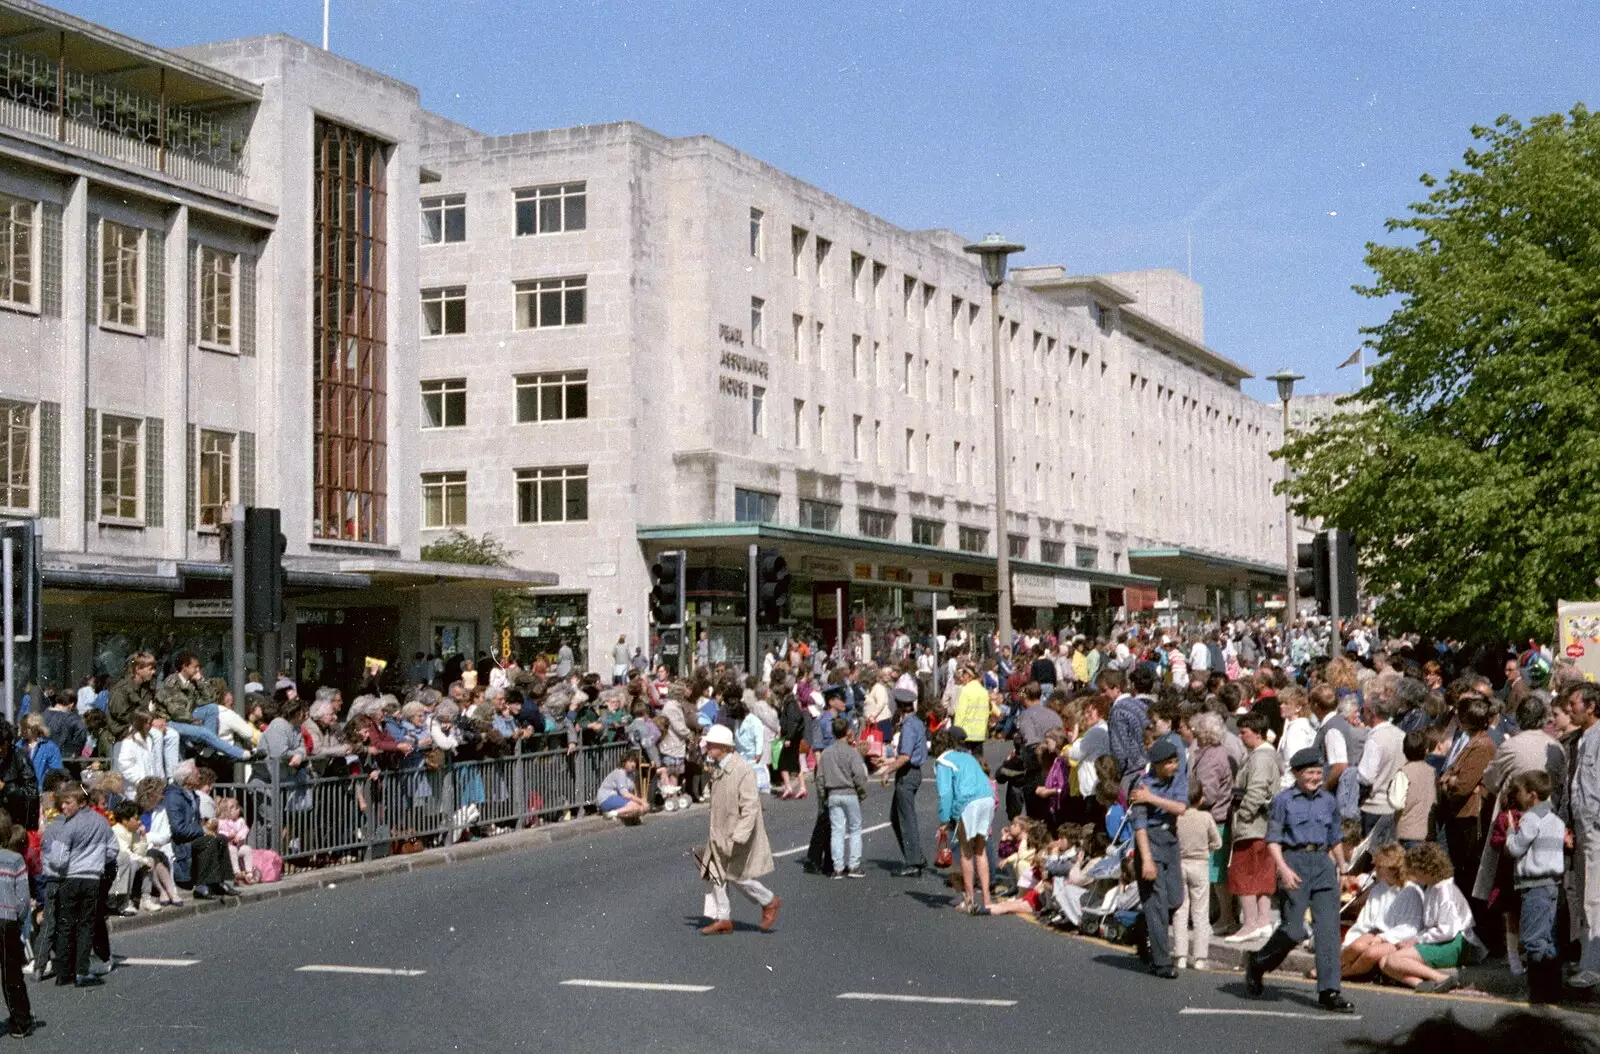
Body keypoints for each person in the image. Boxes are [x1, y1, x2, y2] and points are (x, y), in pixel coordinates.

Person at [1244, 748, 1355, 1014]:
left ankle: (1329, 991)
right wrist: (1282, 868)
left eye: (1319, 772)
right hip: (1294, 863)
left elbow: (1335, 837)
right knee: (1293, 929)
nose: (1316, 777)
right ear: (1296, 773)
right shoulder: (1283, 801)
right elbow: (1273, 840)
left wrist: (1343, 868)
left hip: (1323, 865)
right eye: (1310, 773)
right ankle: (1259, 963)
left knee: (1328, 930)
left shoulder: (1328, 800)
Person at [696, 725, 780, 935]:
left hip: (734, 833)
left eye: (712, 745)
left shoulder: (742, 769)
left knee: (736, 875)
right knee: (716, 874)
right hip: (719, 831)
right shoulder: (718, 768)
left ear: (723, 747)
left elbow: (751, 806)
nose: (708, 748)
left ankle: (769, 900)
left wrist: (740, 835)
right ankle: (723, 918)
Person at [1377, 842, 1481, 993]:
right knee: (1383, 962)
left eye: (1415, 871)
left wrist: (1417, 940)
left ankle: (1442, 979)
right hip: (1441, 939)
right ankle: (1420, 983)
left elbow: (1447, 931)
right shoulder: (1431, 887)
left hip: (1458, 942)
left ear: (1427, 869)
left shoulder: (1445, 890)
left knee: (1393, 959)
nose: (1413, 875)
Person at [41, 781, 117, 988]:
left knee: (66, 925)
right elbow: (113, 849)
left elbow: (57, 857)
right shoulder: (102, 822)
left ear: (81, 802)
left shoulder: (69, 825)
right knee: (85, 925)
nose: (63, 808)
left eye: (67, 803)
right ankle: (81, 971)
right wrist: (96, 859)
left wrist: (69, 863)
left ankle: (64, 972)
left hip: (71, 878)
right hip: (92, 878)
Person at [1505, 768, 1567, 1004]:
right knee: (1548, 939)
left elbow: (1515, 848)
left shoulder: (1531, 818)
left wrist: (1512, 829)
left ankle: (1536, 992)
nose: (1517, 797)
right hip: (1552, 885)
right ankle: (1552, 991)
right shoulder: (1556, 820)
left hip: (1535, 886)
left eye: (1520, 792)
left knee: (1533, 940)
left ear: (1531, 795)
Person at [1131, 737, 1187, 978]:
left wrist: (1151, 798)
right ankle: (1161, 962)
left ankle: (1142, 928)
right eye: (1168, 763)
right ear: (1156, 764)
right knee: (1156, 903)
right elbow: (1140, 826)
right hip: (1150, 842)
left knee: (1175, 898)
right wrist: (1146, 860)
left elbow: (1181, 808)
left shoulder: (1176, 780)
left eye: (1175, 761)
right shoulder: (1141, 785)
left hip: (1170, 841)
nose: (1174, 766)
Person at [1226, 712, 1282, 944]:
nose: (1241, 737)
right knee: (1261, 875)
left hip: (1252, 826)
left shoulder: (1260, 758)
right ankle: (1262, 922)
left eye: (1244, 732)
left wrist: (1245, 815)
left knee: (1244, 874)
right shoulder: (1267, 755)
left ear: (1257, 733)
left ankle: (1250, 923)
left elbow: (1257, 789)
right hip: (1264, 826)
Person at [1341, 843, 1424, 979]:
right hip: (1377, 934)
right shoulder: (1378, 888)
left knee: (1371, 953)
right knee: (1357, 946)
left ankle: (1342, 974)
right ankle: (1330, 968)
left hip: (1399, 939)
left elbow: (1411, 928)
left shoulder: (1411, 891)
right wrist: (1353, 940)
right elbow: (1365, 921)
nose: (1375, 870)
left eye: (1380, 867)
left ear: (1392, 869)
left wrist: (1382, 937)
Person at [935, 728, 994, 914]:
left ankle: (969, 900)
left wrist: (944, 820)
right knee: (980, 850)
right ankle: (987, 899)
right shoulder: (969, 757)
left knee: (966, 851)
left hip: (968, 802)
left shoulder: (944, 761)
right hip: (987, 798)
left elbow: (945, 793)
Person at [880, 688, 928, 877]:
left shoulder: (908, 726)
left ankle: (913, 862)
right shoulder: (916, 722)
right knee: (897, 816)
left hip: (907, 773)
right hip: (913, 772)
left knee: (905, 819)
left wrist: (888, 771)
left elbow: (906, 756)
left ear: (899, 707)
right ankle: (916, 855)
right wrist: (888, 761)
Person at [1174, 779, 1221, 971]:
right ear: (1201, 798)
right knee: (1201, 912)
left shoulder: (1177, 817)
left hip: (1181, 863)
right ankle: (1200, 957)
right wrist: (1206, 849)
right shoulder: (1206, 818)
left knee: (1180, 911)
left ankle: (1180, 956)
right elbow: (1217, 843)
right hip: (1200, 864)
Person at [819, 717, 869, 879]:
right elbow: (859, 775)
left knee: (837, 831)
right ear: (847, 732)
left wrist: (823, 797)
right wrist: (862, 792)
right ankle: (854, 866)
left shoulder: (826, 754)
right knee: (855, 829)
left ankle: (838, 867)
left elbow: (820, 778)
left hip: (833, 793)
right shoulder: (852, 753)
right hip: (850, 793)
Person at [0, 823, 29, 1036]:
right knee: (12, 974)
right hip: (7, 920)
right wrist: (19, 920)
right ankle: (21, 1021)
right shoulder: (14, 859)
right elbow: (23, 899)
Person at [596, 755, 649, 821]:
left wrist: (641, 803)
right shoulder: (620, 772)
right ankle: (611, 814)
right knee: (636, 806)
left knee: (644, 808)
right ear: (624, 763)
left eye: (635, 762)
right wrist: (641, 801)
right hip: (606, 798)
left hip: (618, 798)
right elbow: (625, 794)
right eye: (630, 762)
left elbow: (630, 793)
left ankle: (618, 814)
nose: (633, 764)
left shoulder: (632, 774)